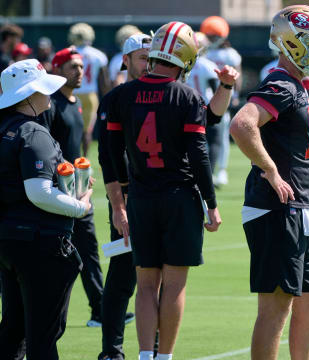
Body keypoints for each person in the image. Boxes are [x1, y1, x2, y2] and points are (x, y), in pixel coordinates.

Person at [107, 21, 236, 360]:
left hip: (141, 197)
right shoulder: (186, 95)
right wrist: (211, 203)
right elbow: (199, 152)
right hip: (179, 197)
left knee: (146, 284)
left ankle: (146, 355)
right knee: (174, 285)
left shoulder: (122, 94)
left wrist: (119, 204)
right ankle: (164, 357)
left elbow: (109, 156)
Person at [229, 5, 309, 359]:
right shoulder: (281, 83)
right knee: (276, 307)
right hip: (275, 208)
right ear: (293, 43)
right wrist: (271, 170)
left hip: (295, 207)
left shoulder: (295, 83)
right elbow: (242, 125)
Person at [0, 58, 92, 359]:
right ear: (28, 96)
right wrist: (80, 206)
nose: (48, 94)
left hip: (7, 240)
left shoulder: (2, 132)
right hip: (38, 243)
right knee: (43, 336)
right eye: (42, 88)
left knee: (14, 328)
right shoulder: (33, 133)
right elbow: (39, 192)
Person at [40, 47, 109, 328]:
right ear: (56, 70)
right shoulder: (50, 104)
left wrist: (84, 172)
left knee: (89, 250)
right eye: (72, 67)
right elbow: (45, 147)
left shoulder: (75, 102)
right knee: (54, 258)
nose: (79, 71)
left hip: (78, 192)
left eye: (81, 67)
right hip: (57, 196)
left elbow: (77, 147)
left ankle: (100, 309)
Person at [97, 33, 151, 360]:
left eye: (152, 56)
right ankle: (111, 351)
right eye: (142, 56)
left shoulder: (168, 94)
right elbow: (108, 158)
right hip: (128, 196)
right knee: (122, 276)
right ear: (126, 60)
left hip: (161, 197)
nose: (148, 63)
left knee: (160, 278)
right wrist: (119, 206)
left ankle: (158, 349)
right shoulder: (115, 99)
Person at [201, 15, 242, 187]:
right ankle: (211, 171)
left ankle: (221, 170)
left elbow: (238, 79)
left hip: (221, 98)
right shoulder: (206, 53)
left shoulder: (230, 54)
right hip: (208, 99)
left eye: (212, 36)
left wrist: (235, 95)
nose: (209, 39)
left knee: (222, 136)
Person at [68, 22, 110, 156]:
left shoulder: (71, 53)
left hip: (73, 94)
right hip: (91, 96)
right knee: (87, 131)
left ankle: (72, 157)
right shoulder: (98, 55)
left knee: (72, 130)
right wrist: (108, 99)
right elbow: (103, 82)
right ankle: (84, 161)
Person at [0, 24, 23, 105]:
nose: (18, 42)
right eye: (17, 39)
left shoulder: (8, 55)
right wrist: (7, 103)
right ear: (9, 38)